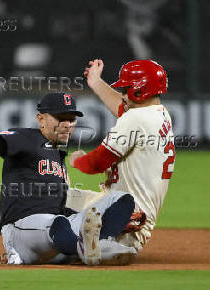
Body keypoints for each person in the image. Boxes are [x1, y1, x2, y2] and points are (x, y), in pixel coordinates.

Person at [0, 92, 137, 265]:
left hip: (47, 230)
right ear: (41, 119)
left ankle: (99, 244)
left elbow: (57, 205)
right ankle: (88, 250)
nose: (68, 124)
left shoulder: (57, 153)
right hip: (24, 232)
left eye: (71, 118)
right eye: (61, 118)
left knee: (121, 199)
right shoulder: (25, 138)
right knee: (57, 223)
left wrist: (104, 219)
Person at [70, 59, 175, 250]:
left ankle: (105, 249)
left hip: (122, 223)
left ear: (139, 89)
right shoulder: (159, 113)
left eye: (126, 89)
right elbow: (124, 108)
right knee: (55, 198)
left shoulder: (136, 118)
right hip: (125, 215)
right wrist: (96, 82)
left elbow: (95, 163)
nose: (123, 95)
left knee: (56, 229)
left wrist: (77, 160)